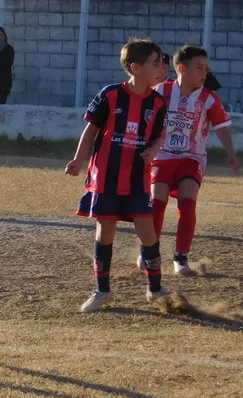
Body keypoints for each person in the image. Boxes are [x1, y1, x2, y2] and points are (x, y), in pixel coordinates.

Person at [65, 38, 170, 313]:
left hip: (138, 177)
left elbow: (160, 136)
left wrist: (154, 150)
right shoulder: (111, 95)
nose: (161, 68)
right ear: (135, 68)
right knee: (105, 231)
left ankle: (155, 289)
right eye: (155, 63)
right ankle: (102, 291)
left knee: (147, 231)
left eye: (161, 63)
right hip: (106, 176)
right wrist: (78, 158)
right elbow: (91, 129)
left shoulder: (158, 102)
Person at [149, 45, 239, 275]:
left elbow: (221, 128)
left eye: (206, 69)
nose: (204, 73)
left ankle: (181, 258)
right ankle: (150, 252)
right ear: (182, 69)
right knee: (156, 204)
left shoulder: (209, 99)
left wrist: (231, 153)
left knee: (187, 203)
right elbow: (144, 118)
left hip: (192, 157)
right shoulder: (160, 91)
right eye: (199, 68)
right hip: (162, 156)